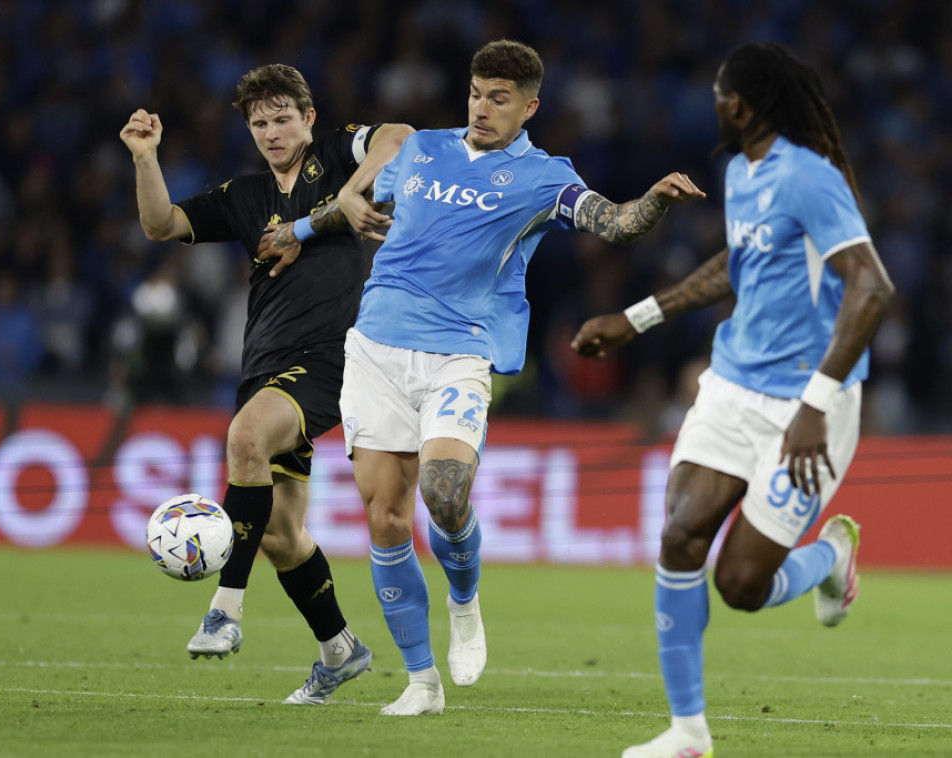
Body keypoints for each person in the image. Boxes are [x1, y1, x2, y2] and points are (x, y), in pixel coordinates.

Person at [334, 39, 704, 716]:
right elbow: (362, 163)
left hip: (460, 351)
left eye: (499, 99)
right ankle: (421, 683)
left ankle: (464, 598)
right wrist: (339, 205)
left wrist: (654, 200)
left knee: (445, 492)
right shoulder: (421, 149)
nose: (482, 108)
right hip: (376, 347)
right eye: (476, 94)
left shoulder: (542, 177)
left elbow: (616, 224)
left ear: (529, 107)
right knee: (385, 517)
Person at [570, 41, 895, 757]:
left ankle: (829, 555)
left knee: (742, 584)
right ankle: (688, 733)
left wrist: (814, 405)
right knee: (679, 535)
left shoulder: (809, 178)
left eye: (719, 92)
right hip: (732, 383)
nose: (712, 102)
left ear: (740, 105)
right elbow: (737, 265)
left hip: (806, 405)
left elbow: (872, 287)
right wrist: (636, 318)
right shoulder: (742, 172)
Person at [119, 63, 413, 705]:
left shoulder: (336, 154)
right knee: (280, 535)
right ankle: (340, 649)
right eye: (260, 123)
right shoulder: (245, 195)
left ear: (308, 118)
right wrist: (145, 157)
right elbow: (161, 224)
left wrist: (349, 196)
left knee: (245, 438)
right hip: (264, 366)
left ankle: (224, 609)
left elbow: (401, 136)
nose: (273, 132)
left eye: (283, 118)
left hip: (331, 355)